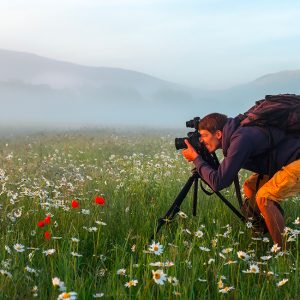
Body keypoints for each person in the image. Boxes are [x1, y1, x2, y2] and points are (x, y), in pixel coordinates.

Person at [182, 113, 300, 247]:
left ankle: (282, 252)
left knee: (264, 197)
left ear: (219, 134)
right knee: (250, 187)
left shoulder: (241, 139)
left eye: (204, 135)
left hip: (296, 161)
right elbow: (223, 175)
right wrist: (201, 160)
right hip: (285, 161)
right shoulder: (237, 132)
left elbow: (219, 182)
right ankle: (263, 232)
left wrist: (197, 160)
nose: (201, 140)